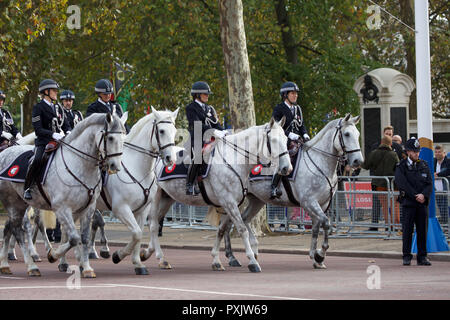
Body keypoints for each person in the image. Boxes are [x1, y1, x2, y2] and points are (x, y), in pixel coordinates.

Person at [23, 79, 71, 200]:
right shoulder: (38, 108)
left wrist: (69, 132)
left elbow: (65, 124)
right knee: (37, 159)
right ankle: (29, 187)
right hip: (44, 142)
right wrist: (53, 135)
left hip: (60, 141)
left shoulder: (59, 107)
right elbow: (38, 130)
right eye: (54, 91)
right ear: (46, 92)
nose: (56, 93)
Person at [395, 137, 432, 266]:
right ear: (408, 152)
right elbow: (402, 183)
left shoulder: (424, 165)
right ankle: (406, 256)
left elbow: (429, 183)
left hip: (422, 204)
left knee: (422, 230)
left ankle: (422, 257)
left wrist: (424, 195)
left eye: (418, 151)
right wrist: (415, 195)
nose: (417, 154)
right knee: (407, 231)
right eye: (414, 151)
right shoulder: (401, 166)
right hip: (409, 203)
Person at [270, 81, 310, 199]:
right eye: (292, 93)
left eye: (296, 93)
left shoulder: (298, 109)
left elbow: (301, 125)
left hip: (298, 140)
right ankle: (273, 187)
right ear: (285, 95)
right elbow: (276, 127)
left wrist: (306, 135)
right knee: (284, 158)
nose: (295, 95)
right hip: (284, 141)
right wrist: (291, 135)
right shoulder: (279, 108)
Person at [185, 81, 225, 195]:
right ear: (197, 95)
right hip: (197, 138)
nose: (207, 96)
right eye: (205, 94)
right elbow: (197, 124)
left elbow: (215, 123)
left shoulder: (209, 108)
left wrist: (223, 131)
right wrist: (214, 131)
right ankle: (190, 183)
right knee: (198, 157)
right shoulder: (191, 108)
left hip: (211, 138)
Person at [362, 135, 400, 230]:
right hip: (392, 184)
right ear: (390, 144)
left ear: (381, 143)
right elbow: (398, 167)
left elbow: (366, 166)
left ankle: (387, 226)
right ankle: (394, 226)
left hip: (378, 184)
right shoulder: (393, 154)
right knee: (394, 205)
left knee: (384, 206)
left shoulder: (374, 153)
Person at [434, 145, 450, 223]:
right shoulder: (433, 161)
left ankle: (446, 224)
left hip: (445, 187)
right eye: (436, 152)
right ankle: (444, 224)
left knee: (445, 206)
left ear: (444, 153)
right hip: (436, 188)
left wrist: (438, 175)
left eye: (439, 152)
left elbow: (447, 170)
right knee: (440, 206)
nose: (437, 154)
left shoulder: (448, 161)